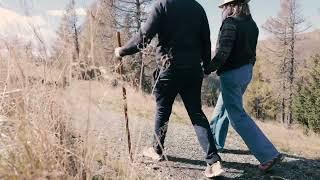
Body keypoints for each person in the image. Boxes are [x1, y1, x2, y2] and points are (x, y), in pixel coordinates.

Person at [114, 0, 224, 177]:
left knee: (163, 110)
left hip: (170, 67)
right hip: (193, 69)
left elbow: (144, 37)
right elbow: (206, 39)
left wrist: (123, 51)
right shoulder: (197, 7)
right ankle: (214, 161)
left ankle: (156, 150)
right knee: (196, 114)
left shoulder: (163, 5)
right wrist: (204, 65)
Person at [205, 0, 283, 172]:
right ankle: (214, 144)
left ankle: (268, 154)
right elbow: (253, 52)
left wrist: (207, 69)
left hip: (231, 74)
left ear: (231, 6)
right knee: (222, 107)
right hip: (246, 71)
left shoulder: (230, 23)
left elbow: (223, 53)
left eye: (225, 6)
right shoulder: (252, 24)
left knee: (236, 116)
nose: (224, 10)